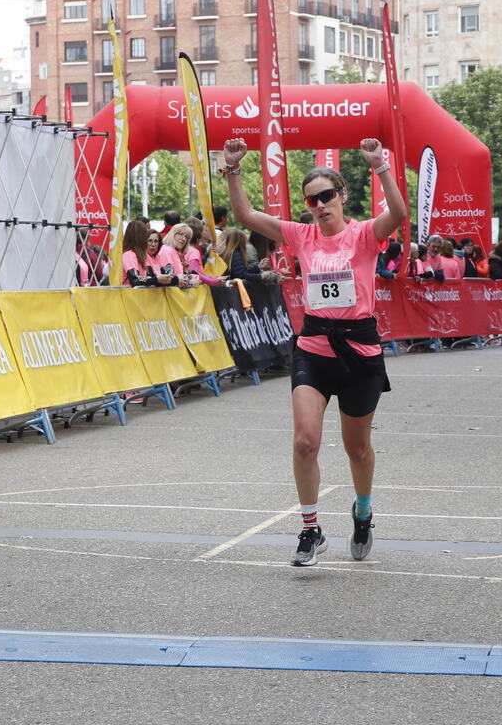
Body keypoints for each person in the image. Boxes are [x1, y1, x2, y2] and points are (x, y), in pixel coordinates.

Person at [222, 136, 406, 567]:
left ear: (342, 196)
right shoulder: (302, 236)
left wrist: (380, 165)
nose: (320, 205)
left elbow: (398, 214)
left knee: (357, 449)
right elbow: (245, 215)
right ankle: (310, 529)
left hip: (359, 350)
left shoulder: (364, 235)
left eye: (326, 196)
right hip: (313, 347)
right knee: (305, 442)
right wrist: (233, 169)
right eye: (311, 200)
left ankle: (363, 512)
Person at [120, 219, 175, 287]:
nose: (146, 237)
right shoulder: (129, 255)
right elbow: (135, 280)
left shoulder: (142, 255)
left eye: (156, 241)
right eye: (145, 234)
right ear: (139, 236)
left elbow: (149, 278)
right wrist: (157, 280)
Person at [163, 222, 202, 287]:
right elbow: (169, 278)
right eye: (180, 234)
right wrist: (190, 282)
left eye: (187, 237)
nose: (183, 239)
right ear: (173, 234)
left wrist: (190, 275)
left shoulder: (177, 253)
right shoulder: (167, 250)